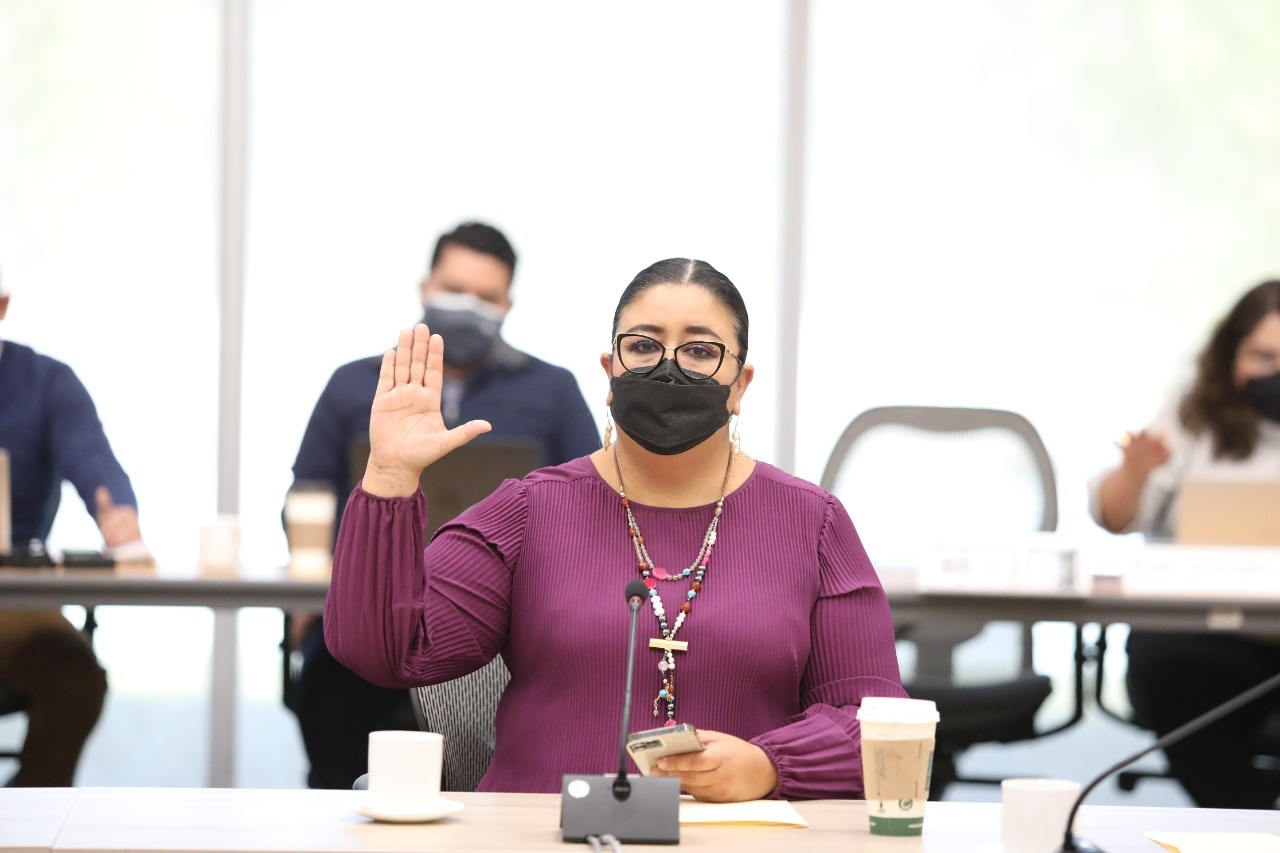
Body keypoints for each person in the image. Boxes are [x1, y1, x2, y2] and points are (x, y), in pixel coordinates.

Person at [324, 258, 907, 801]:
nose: (668, 366)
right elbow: (387, 650)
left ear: (740, 384)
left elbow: (880, 726)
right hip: (539, 831)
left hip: (731, 836)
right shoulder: (530, 509)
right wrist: (390, 474)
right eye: (644, 345)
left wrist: (771, 765)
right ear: (610, 372)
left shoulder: (812, 523)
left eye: (700, 350)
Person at [287, 222, 599, 789]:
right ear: (426, 287)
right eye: (454, 290)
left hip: (509, 624)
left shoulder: (553, 391)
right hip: (368, 606)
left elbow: (593, 503)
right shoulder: (354, 385)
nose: (468, 307)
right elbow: (307, 493)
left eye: (485, 296)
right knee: (333, 682)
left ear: (508, 304)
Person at [1090, 278, 1280, 809]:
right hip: (1206, 635)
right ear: (1230, 354)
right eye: (1263, 357)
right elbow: (1115, 516)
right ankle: (1247, 821)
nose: (1275, 373)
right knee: (1169, 665)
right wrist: (1134, 472)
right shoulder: (1194, 415)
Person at [0, 276, 146, 786]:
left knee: (76, 677)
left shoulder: (46, 382)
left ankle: (24, 811)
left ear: (3, 304)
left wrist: (119, 521)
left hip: (13, 596)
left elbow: (95, 466)